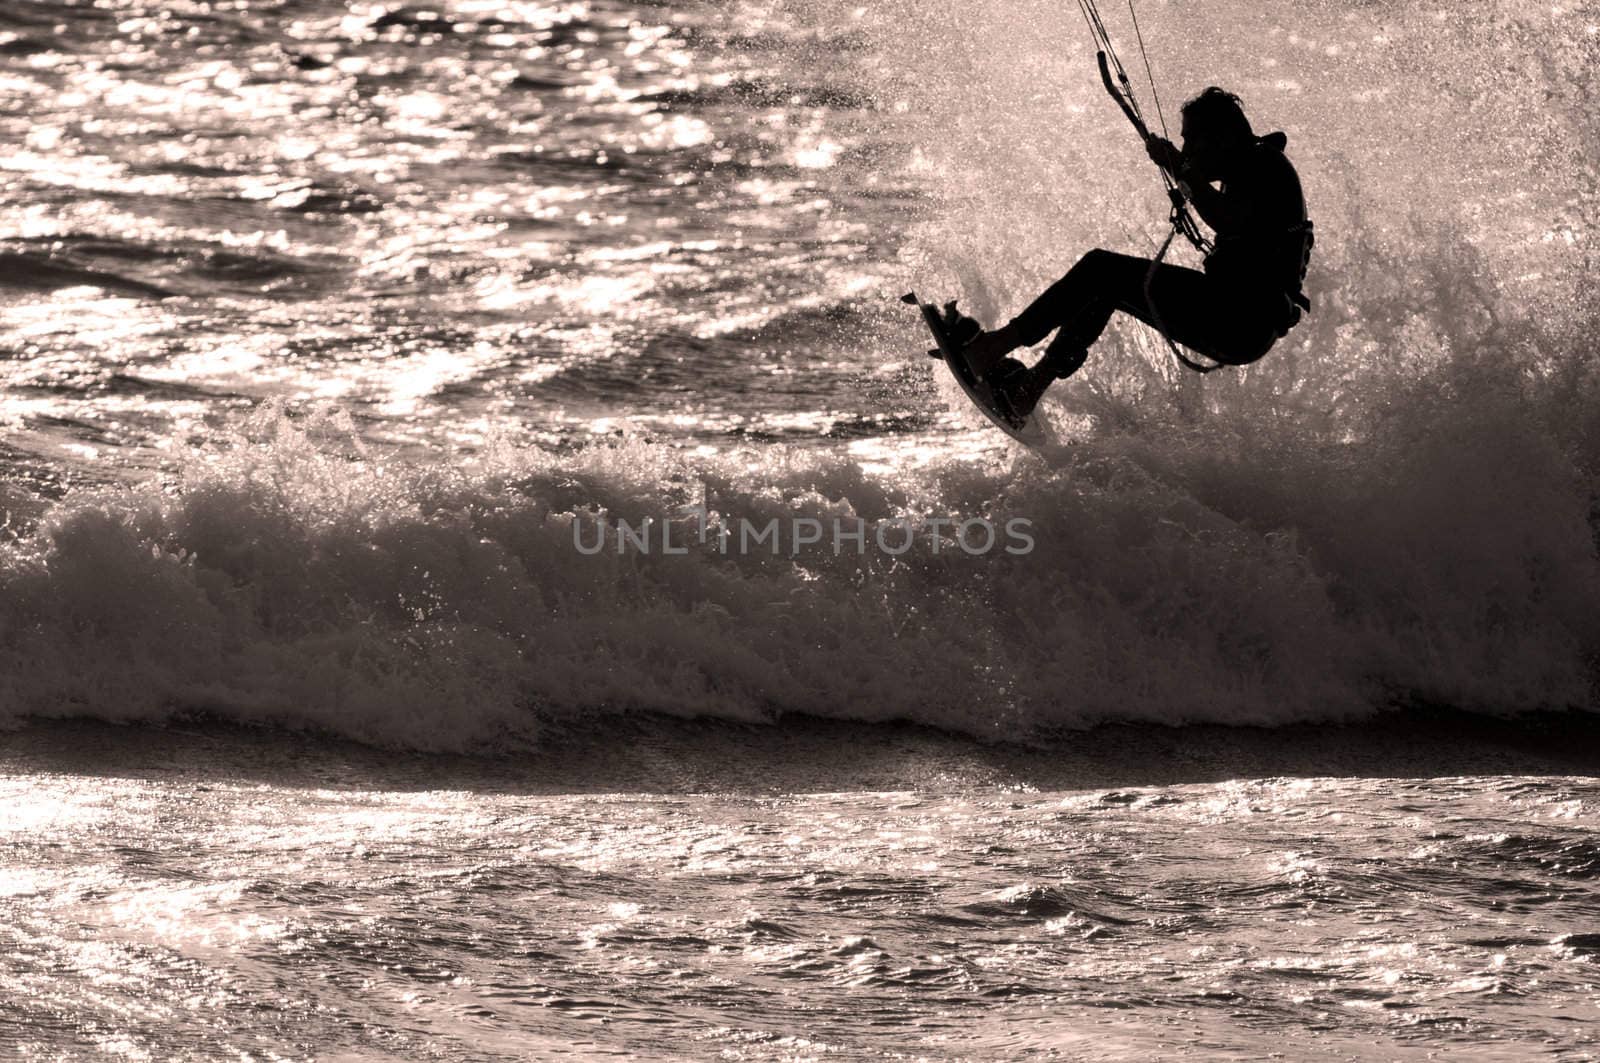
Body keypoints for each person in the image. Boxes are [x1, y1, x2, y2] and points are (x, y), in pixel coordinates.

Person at [960, 87, 1313, 419]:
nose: (1186, 148)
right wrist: (1182, 170)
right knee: (1103, 287)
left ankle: (995, 347)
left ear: (1223, 138)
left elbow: (1227, 219)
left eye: (1191, 139)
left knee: (1101, 268)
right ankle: (1027, 390)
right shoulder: (1250, 167)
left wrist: (1179, 166)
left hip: (1239, 321)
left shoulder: (1265, 166)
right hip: (1236, 317)